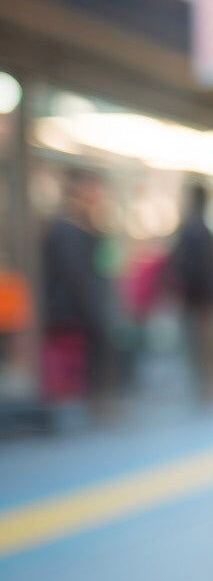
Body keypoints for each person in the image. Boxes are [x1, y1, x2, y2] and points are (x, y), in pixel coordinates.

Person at [41, 167, 110, 409]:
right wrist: (91, 310)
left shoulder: (81, 227)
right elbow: (76, 277)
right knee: (72, 367)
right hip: (71, 312)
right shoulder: (68, 230)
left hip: (75, 310)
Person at [169, 183, 213, 403]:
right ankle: (210, 391)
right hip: (205, 301)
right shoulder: (200, 230)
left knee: (202, 349)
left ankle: (208, 391)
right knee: (207, 349)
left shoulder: (192, 231)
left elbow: (188, 268)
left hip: (200, 302)